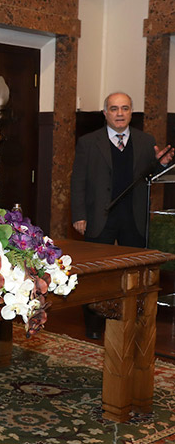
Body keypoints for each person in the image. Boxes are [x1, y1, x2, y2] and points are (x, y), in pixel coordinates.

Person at [71, 91, 174, 338]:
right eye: (114, 109)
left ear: (131, 112)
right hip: (99, 216)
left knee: (136, 272)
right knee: (95, 273)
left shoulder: (145, 140)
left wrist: (161, 164)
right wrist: (79, 215)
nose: (120, 114)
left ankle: (134, 320)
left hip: (133, 216)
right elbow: (78, 181)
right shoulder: (88, 142)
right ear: (105, 113)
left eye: (125, 108)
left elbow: (150, 174)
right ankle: (94, 326)